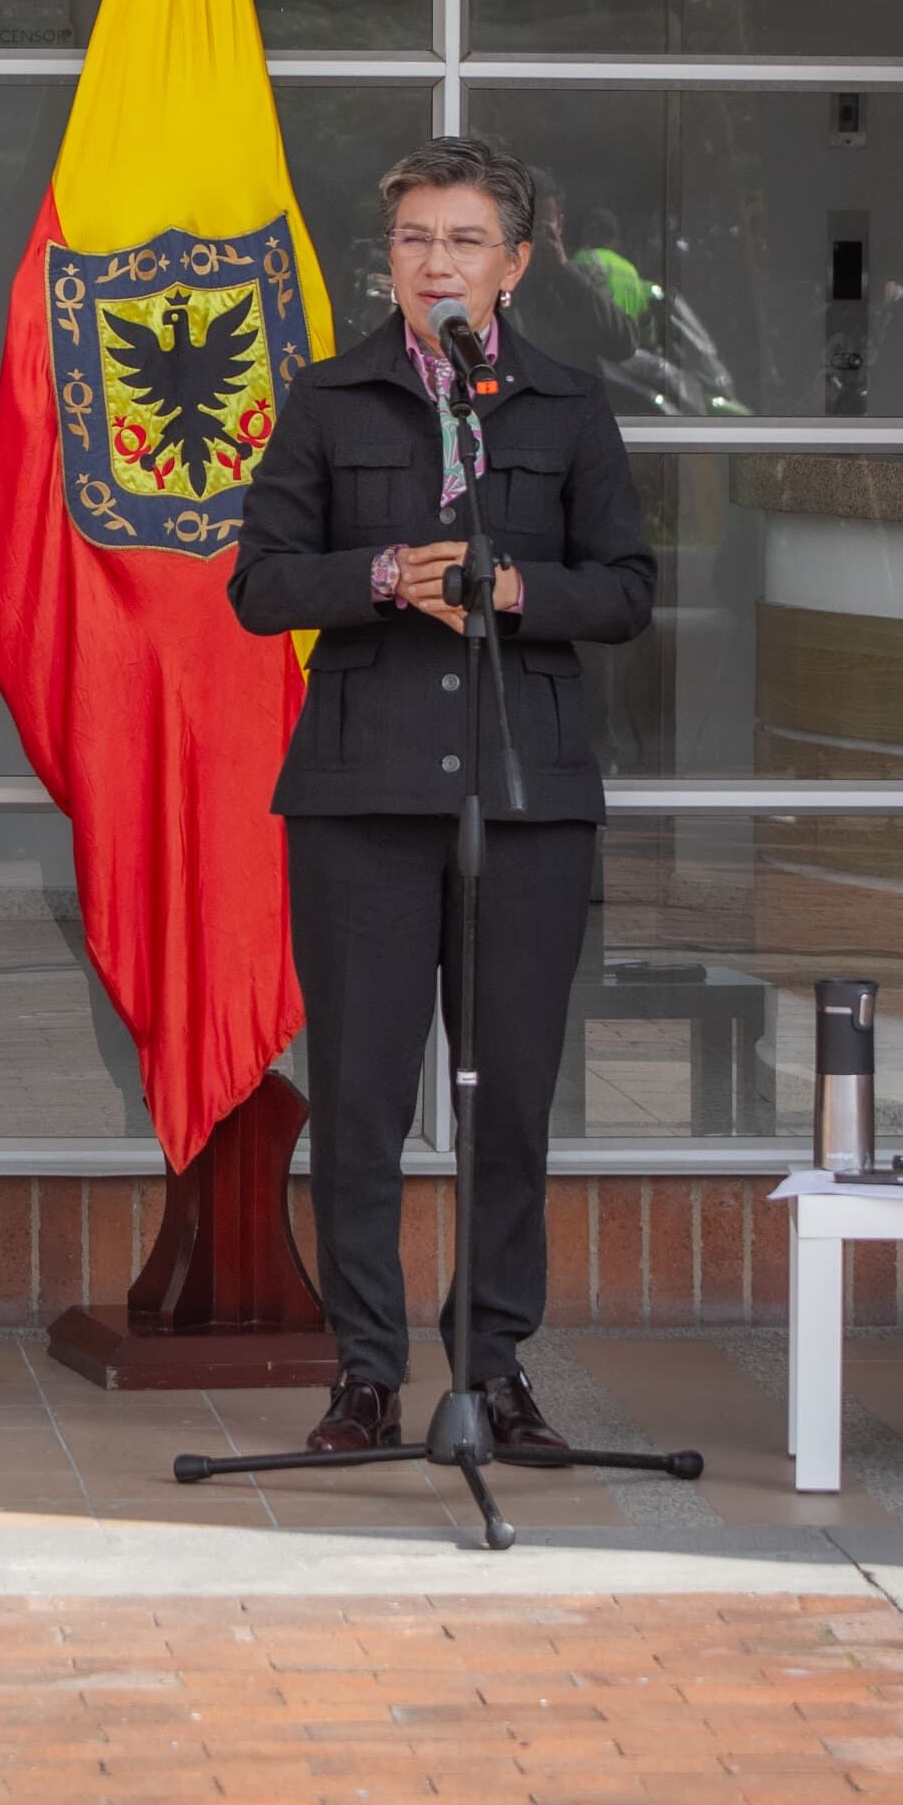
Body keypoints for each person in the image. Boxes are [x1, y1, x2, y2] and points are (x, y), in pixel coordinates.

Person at [229, 135, 655, 1460]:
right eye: (415, 239)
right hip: (361, 795)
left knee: (508, 1099)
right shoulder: (329, 396)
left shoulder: (569, 405)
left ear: (515, 265)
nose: (436, 263)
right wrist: (378, 575)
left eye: (464, 241)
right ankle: (365, 1373)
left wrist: (521, 590)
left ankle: (495, 1368)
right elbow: (257, 582)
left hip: (523, 800)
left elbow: (629, 589)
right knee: (357, 1102)